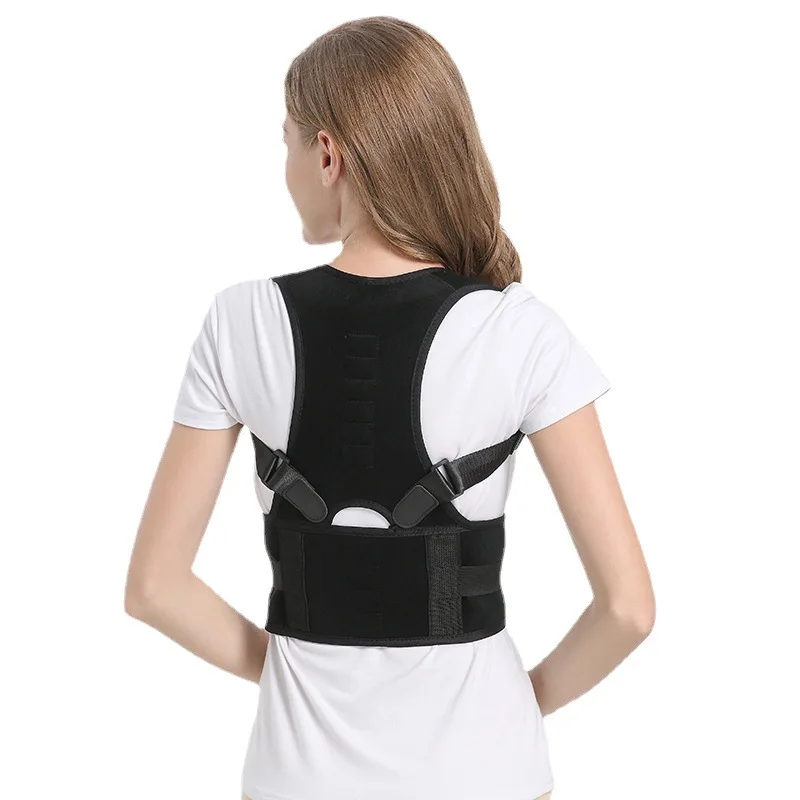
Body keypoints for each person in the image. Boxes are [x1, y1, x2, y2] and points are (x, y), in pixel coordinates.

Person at [124, 15, 655, 800]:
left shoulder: (241, 323)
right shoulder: (519, 331)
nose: (286, 168)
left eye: (286, 143)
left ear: (327, 155)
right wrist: (517, 706)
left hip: (298, 776)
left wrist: (295, 673)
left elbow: (155, 588)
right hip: (487, 773)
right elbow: (629, 610)